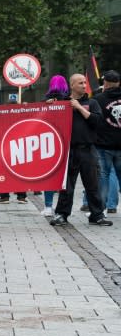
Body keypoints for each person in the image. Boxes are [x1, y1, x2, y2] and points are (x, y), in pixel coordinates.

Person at [51, 74, 111, 226]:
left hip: (88, 150)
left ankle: (97, 215)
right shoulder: (62, 103)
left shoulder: (92, 102)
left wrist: (78, 107)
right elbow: (47, 120)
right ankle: (62, 214)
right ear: (72, 85)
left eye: (85, 82)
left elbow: (98, 122)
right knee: (67, 186)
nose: (84, 85)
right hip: (68, 150)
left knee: (93, 185)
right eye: (80, 83)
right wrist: (49, 106)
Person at [39, 75, 70, 217]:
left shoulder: (45, 102)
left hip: (49, 143)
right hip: (68, 142)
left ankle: (48, 206)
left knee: (50, 176)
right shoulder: (70, 101)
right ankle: (68, 207)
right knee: (69, 177)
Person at [91, 70, 121, 216]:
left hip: (103, 146)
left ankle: (99, 211)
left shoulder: (98, 99)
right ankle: (110, 205)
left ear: (105, 83)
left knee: (103, 177)